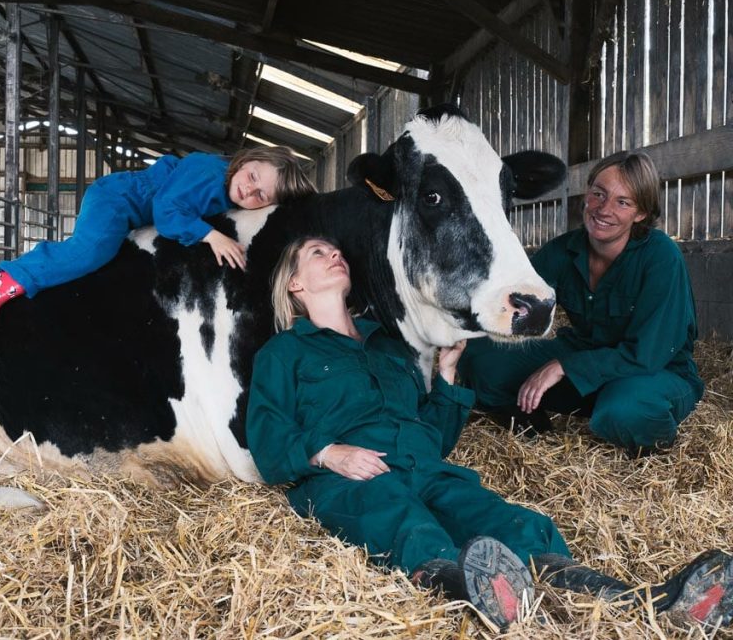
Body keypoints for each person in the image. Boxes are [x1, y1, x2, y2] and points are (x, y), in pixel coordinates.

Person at [246, 236, 733, 630]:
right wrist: (330, 454)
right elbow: (268, 443)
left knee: (511, 523)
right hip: (353, 479)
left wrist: (449, 376)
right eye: (317, 253)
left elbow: (431, 438)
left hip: (426, 467)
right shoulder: (284, 355)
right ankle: (472, 591)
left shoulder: (388, 347)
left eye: (336, 250)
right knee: (406, 524)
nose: (335, 254)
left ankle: (644, 603)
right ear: (294, 284)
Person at [458, 151, 703, 457]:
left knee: (626, 410)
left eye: (622, 202)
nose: (604, 209)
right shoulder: (565, 249)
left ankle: (635, 431)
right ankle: (532, 422)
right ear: (587, 194)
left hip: (654, 373)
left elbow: (647, 355)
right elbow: (511, 296)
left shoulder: (661, 257)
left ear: (640, 213)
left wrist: (565, 366)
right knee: (482, 356)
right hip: (587, 353)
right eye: (598, 194)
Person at [0, 146, 315, 334]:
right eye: (253, 176)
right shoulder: (209, 172)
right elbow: (166, 211)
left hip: (131, 210)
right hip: (117, 200)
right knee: (89, 253)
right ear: (245, 161)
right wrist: (211, 236)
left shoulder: (226, 190)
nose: (249, 189)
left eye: (260, 194)